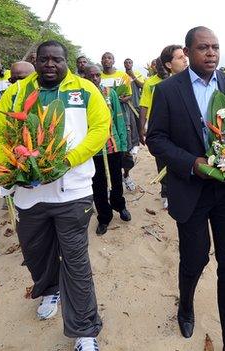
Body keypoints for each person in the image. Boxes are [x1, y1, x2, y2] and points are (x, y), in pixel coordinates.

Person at [0, 40, 109, 351]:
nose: (50, 65)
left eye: (57, 59)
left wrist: (67, 160)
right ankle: (50, 288)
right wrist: (15, 162)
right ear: (35, 61)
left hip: (74, 191)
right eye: (45, 60)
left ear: (66, 62)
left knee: (76, 260)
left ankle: (84, 331)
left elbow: (99, 128)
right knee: (35, 253)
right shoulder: (16, 92)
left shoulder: (84, 90)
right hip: (29, 194)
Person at [147, 26, 225, 351]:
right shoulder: (168, 91)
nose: (212, 54)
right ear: (187, 53)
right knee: (195, 259)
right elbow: (156, 139)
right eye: (204, 48)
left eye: (216, 47)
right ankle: (186, 304)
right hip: (191, 188)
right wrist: (193, 163)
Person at [139, 45, 189, 209]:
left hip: (183, 133)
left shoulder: (193, 82)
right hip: (162, 129)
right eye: (180, 57)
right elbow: (144, 106)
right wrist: (142, 128)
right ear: (168, 64)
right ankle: (166, 192)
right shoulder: (156, 86)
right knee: (164, 163)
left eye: (184, 56)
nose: (185, 59)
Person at [84, 64, 131, 235]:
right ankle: (104, 217)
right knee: (98, 184)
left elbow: (119, 117)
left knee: (116, 180)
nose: (95, 79)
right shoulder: (82, 96)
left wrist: (123, 145)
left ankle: (120, 206)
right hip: (93, 149)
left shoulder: (109, 93)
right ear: (85, 77)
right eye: (91, 76)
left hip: (113, 145)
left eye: (97, 75)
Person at [101, 52, 137, 192]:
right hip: (104, 116)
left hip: (121, 113)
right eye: (104, 58)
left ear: (113, 60)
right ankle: (110, 181)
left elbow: (129, 95)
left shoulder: (123, 76)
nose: (106, 60)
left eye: (109, 58)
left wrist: (122, 98)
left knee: (125, 148)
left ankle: (126, 176)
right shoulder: (98, 76)